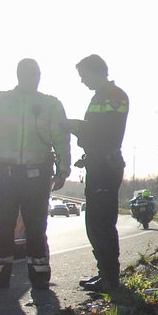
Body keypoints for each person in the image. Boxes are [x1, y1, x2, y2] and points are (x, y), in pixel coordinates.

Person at [0, 58, 70, 290]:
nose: (32, 80)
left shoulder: (51, 105)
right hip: (4, 173)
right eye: (28, 75)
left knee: (36, 226)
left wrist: (63, 169)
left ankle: (39, 276)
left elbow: (61, 138)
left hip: (37, 174)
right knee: (3, 225)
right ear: (19, 76)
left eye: (35, 76)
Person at [67, 54, 128, 294]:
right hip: (97, 165)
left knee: (101, 224)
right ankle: (105, 273)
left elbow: (107, 133)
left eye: (84, 76)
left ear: (96, 72)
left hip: (106, 167)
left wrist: (77, 127)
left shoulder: (115, 96)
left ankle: (111, 279)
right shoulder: (100, 97)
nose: (82, 81)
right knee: (93, 224)